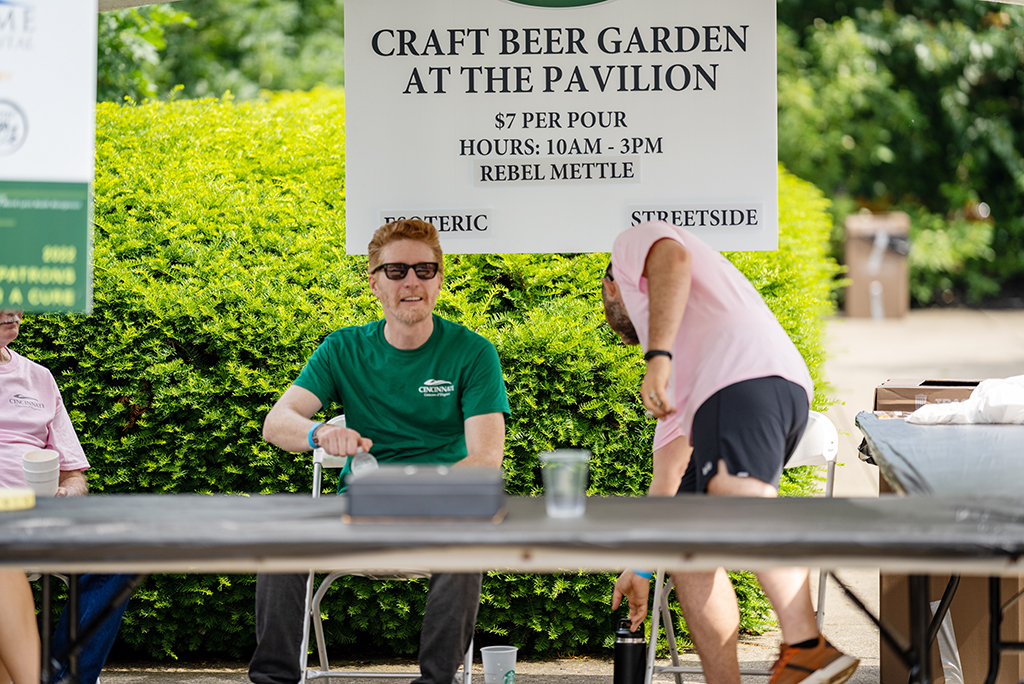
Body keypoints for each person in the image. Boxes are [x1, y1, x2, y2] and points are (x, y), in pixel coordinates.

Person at [250, 219, 510, 684]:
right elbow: (277, 423)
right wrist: (318, 434)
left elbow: (486, 459)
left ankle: (435, 683)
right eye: (396, 270)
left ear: (439, 279)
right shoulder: (343, 349)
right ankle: (274, 682)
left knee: (467, 543)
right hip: (359, 511)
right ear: (374, 282)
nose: (412, 281)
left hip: (441, 511)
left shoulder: (473, 353)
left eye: (425, 269)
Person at [603, 222, 859, 684]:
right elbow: (666, 483)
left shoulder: (629, 248)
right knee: (688, 548)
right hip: (766, 390)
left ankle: (806, 647)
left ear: (612, 287)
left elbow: (672, 258)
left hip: (746, 379)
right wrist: (640, 565)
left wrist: (656, 358)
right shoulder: (689, 370)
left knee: (735, 493)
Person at [0, 308, 134, 684]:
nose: (11, 310)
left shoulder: (39, 378)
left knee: (119, 553)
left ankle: (65, 679)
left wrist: (68, 494)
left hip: (40, 518)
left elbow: (74, 474)